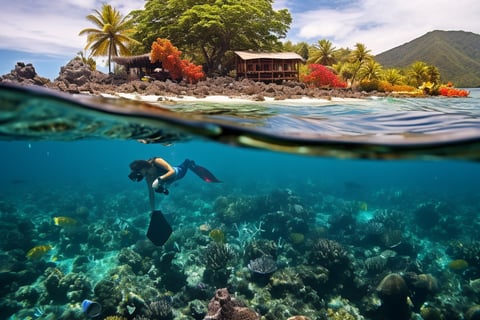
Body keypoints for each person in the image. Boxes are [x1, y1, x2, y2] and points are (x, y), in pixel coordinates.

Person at [129, 157, 221, 210]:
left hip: (178, 173)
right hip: (168, 181)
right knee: (157, 189)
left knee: (183, 167)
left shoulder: (156, 161)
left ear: (142, 167)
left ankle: (187, 163)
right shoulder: (148, 177)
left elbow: (172, 171)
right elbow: (151, 195)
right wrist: (153, 211)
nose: (141, 175)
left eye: (139, 172)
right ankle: (167, 187)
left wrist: (159, 179)